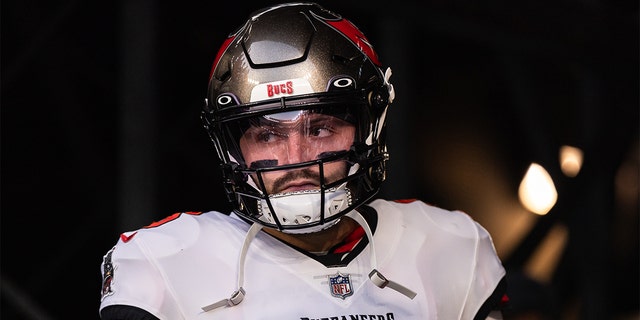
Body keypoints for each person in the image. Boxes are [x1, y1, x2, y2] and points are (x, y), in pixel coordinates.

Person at [98, 2, 508, 319]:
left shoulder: (451, 246)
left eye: (321, 128)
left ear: (368, 126)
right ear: (233, 146)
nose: (296, 159)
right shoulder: (166, 261)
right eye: (267, 134)